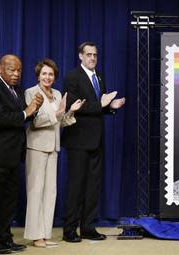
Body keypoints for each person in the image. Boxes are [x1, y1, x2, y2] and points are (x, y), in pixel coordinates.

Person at [0, 54, 44, 254]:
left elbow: (23, 115)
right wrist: (26, 112)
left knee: (8, 200)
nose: (16, 74)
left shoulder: (16, 90)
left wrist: (35, 109)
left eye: (19, 70)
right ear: (0, 68)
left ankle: (4, 237)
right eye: (11, 69)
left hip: (12, 155)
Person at [61, 42, 125, 242]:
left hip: (96, 141)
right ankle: (70, 231)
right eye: (88, 55)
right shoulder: (72, 77)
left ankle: (88, 228)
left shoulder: (99, 76)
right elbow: (74, 106)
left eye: (95, 55)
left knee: (93, 187)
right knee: (76, 187)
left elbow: (99, 108)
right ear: (80, 56)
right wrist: (102, 104)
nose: (92, 58)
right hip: (78, 141)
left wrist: (111, 107)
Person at [23, 59, 85, 248]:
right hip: (36, 146)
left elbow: (60, 122)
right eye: (44, 74)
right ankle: (35, 236)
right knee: (35, 192)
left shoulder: (58, 94)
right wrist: (57, 114)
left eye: (51, 74)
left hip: (54, 147)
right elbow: (36, 121)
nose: (47, 77)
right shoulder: (31, 93)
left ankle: (45, 233)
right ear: (38, 75)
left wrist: (71, 112)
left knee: (50, 192)